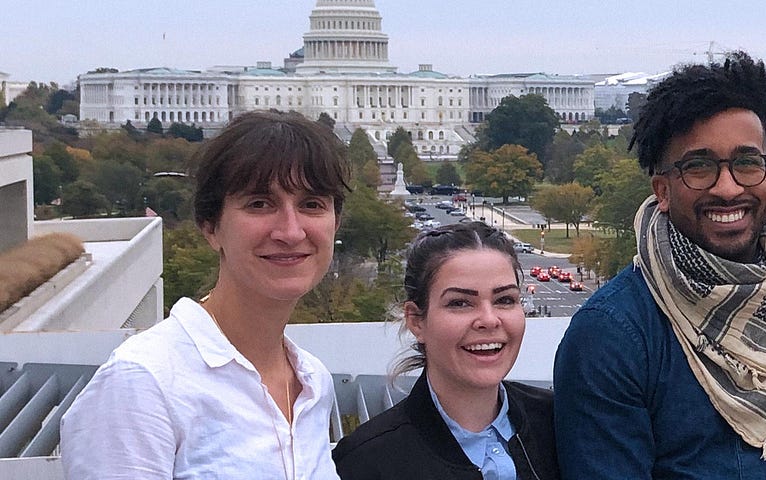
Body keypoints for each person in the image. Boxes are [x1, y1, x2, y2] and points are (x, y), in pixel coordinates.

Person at [551, 51, 766, 479]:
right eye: (699, 167)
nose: (727, 189)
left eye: (746, 162)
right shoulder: (612, 336)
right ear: (664, 191)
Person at [60, 110, 349, 478]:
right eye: (259, 203)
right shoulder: (143, 385)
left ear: (334, 222)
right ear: (211, 227)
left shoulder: (313, 383)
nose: (291, 232)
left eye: (311, 204)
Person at [333, 222, 558, 479]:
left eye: (504, 300)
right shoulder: (365, 463)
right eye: (460, 303)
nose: (489, 319)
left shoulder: (561, 424)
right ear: (416, 320)